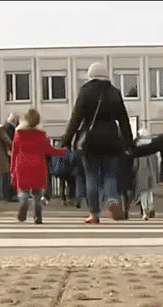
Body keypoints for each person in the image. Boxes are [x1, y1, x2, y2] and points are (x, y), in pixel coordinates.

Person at [62, 62, 134, 224]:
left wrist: (66, 140)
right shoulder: (114, 92)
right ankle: (112, 200)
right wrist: (129, 144)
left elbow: (76, 118)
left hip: (90, 140)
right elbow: (124, 120)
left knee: (91, 176)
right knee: (110, 174)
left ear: (90, 74)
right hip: (111, 139)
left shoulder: (86, 91)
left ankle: (94, 214)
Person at [11, 109, 66, 223]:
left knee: (23, 191)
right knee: (37, 193)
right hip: (38, 166)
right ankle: (38, 215)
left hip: (22, 165)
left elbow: (14, 152)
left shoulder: (18, 134)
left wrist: (12, 169)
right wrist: (64, 151)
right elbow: (50, 150)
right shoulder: (42, 135)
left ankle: (24, 202)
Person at [133, 128, 159, 220]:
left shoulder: (137, 146)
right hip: (152, 172)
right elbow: (156, 163)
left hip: (141, 172)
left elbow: (135, 163)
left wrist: (133, 172)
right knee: (150, 191)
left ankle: (145, 211)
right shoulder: (152, 146)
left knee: (143, 193)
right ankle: (151, 205)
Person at [0, 113, 19, 202]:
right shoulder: (10, 128)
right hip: (9, 154)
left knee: (6, 175)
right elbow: (10, 140)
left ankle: (6, 195)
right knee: (9, 175)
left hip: (7, 154)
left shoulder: (5, 127)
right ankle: (10, 195)